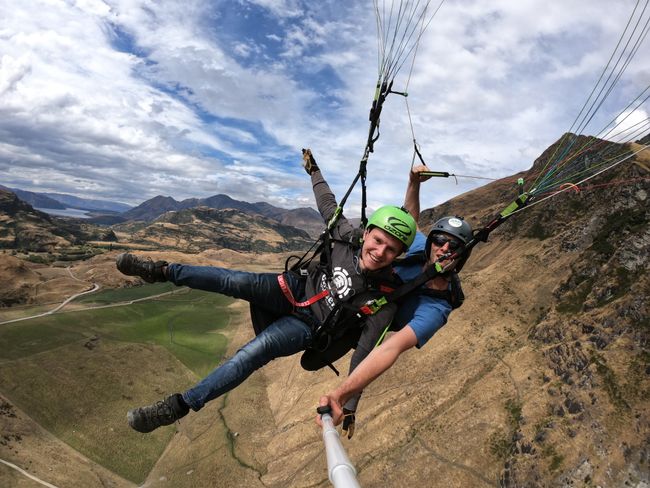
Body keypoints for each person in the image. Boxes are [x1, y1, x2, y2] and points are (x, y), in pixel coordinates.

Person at [116, 150, 417, 433]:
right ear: (367, 233)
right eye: (377, 241)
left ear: (399, 254)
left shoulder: (384, 299)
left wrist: (349, 405)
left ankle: (178, 406)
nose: (380, 252)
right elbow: (328, 203)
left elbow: (365, 356)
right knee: (233, 281)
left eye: (391, 250)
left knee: (251, 354)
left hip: (307, 326)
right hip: (292, 288)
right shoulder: (346, 238)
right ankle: (159, 271)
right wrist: (314, 171)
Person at [318, 164, 474, 431]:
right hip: (357, 288)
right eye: (439, 240)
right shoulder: (421, 252)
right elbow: (410, 222)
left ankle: (350, 403)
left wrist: (343, 396)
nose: (444, 248)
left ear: (462, 254)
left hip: (372, 317)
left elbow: (390, 348)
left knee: (371, 337)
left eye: (454, 246)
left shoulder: (435, 309)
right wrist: (414, 182)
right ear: (430, 243)